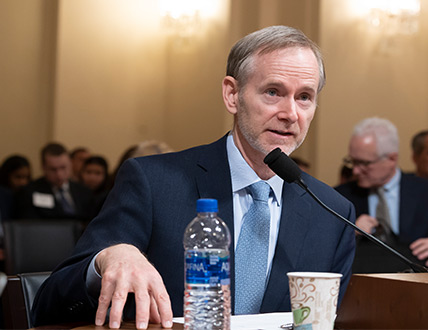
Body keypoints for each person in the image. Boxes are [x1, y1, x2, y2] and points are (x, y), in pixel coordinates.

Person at [32, 26, 356, 329]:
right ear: (232, 95)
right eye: (273, 92)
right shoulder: (154, 182)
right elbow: (48, 304)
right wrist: (107, 258)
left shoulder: (333, 214)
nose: (290, 113)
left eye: (304, 97)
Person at [335, 117, 428, 273]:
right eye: (353, 162)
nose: (355, 171)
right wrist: (350, 232)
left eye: (364, 163)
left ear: (392, 158)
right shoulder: (339, 196)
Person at [15, 143, 94, 221]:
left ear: (70, 164)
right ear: (43, 167)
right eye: (53, 169)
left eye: (63, 168)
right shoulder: (29, 193)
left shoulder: (84, 192)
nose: (59, 174)